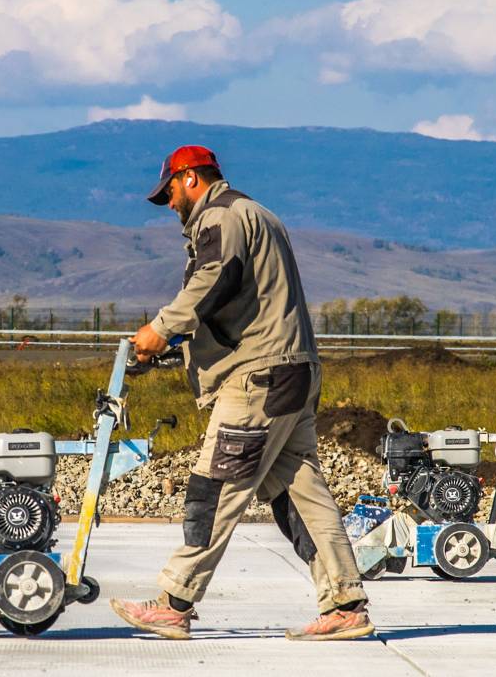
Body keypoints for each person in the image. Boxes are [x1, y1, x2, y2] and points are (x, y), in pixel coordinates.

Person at [111, 145, 373, 640]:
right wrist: (174, 351)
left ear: (190, 178)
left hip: (260, 378)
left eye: (168, 192)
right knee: (301, 496)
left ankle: (175, 600)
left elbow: (215, 279)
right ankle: (345, 603)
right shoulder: (259, 214)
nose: (169, 206)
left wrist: (161, 328)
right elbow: (240, 303)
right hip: (291, 369)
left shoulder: (222, 216)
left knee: (214, 487)